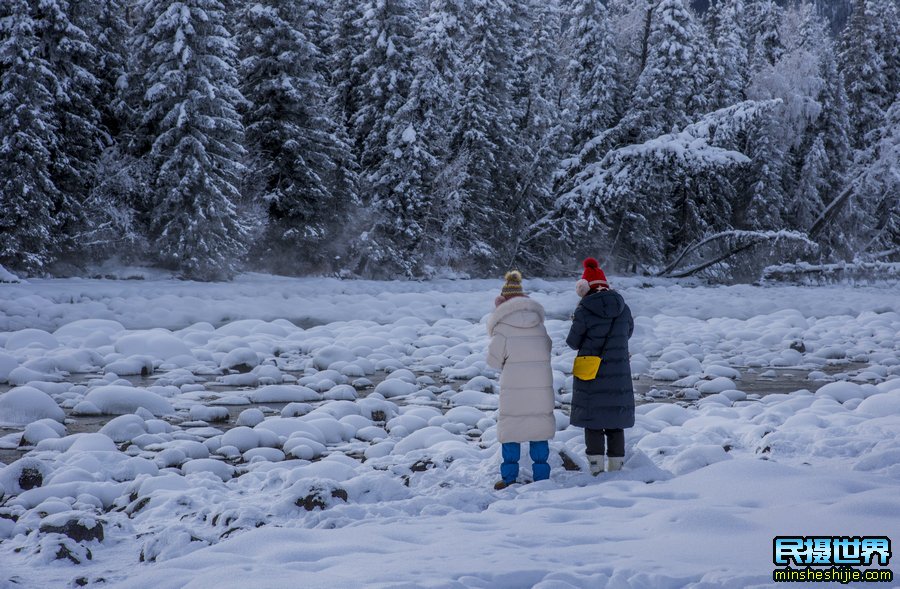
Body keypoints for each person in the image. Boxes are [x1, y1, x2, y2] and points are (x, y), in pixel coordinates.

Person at [486, 270, 556, 489]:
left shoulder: (502, 329)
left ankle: (508, 478)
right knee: (538, 431)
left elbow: (493, 362)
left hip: (514, 392)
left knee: (511, 433)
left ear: (502, 303)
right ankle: (542, 477)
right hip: (540, 390)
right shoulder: (539, 325)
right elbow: (547, 350)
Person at [566, 257, 635, 475]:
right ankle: (617, 468)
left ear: (584, 288)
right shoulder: (623, 308)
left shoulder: (584, 310)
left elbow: (573, 342)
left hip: (591, 373)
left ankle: (596, 469)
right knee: (615, 422)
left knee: (593, 421)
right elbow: (628, 334)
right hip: (619, 372)